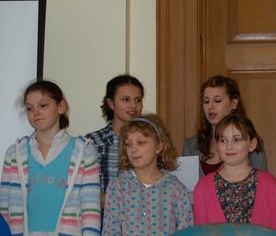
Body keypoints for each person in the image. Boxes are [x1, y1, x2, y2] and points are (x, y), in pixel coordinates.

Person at [0, 80, 101, 235]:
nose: (35, 112)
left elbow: (90, 209)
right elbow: (4, 207)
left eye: (43, 105)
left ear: (61, 107)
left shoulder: (84, 151)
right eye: (29, 108)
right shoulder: (15, 153)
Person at [102, 114, 193, 235]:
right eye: (128, 144)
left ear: (159, 146)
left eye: (141, 142)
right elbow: (110, 231)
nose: (133, 149)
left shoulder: (176, 190)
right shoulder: (117, 188)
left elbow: (186, 231)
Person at [193, 114, 276, 233]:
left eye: (237, 139)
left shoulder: (269, 184)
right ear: (216, 146)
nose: (229, 146)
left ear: (252, 144)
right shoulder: (202, 187)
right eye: (223, 140)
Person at [182, 75, 267, 178]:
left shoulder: (251, 144)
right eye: (206, 101)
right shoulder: (190, 146)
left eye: (217, 100)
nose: (210, 106)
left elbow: (261, 184)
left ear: (233, 104)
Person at [85, 74, 144, 209]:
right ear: (111, 103)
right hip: (103, 225)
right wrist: (120, 203)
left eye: (138, 100)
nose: (133, 105)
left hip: (143, 223)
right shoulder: (93, 142)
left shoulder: (150, 142)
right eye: (125, 99)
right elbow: (85, 192)